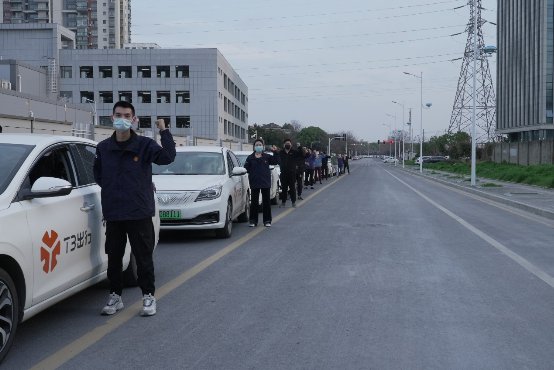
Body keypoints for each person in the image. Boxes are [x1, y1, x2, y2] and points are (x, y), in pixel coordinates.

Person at [93, 101, 176, 317]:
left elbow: (167, 157)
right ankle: (115, 296)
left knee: (143, 258)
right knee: (114, 257)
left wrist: (164, 131)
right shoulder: (103, 148)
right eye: (119, 115)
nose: (123, 119)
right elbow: (99, 176)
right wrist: (114, 191)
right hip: (114, 212)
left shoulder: (145, 146)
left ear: (134, 119)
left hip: (139, 211)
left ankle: (148, 296)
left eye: (127, 115)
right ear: (112, 118)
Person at [243, 139, 279, 227]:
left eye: (260, 144)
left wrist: (276, 152)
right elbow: (246, 168)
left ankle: (267, 221)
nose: (258, 146)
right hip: (254, 182)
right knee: (254, 202)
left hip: (265, 182)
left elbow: (276, 161)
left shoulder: (267, 157)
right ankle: (253, 221)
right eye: (257, 145)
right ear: (254, 147)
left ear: (263, 146)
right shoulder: (250, 157)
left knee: (266, 202)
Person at [276, 138, 302, 208]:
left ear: (291, 144)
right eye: (286, 144)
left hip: (292, 173)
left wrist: (299, 147)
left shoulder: (294, 152)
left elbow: (301, 154)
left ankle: (293, 202)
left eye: (289, 143)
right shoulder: (281, 152)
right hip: (283, 173)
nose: (287, 145)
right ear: (284, 145)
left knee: (292, 188)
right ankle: (283, 202)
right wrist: (275, 152)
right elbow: (276, 158)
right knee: (284, 189)